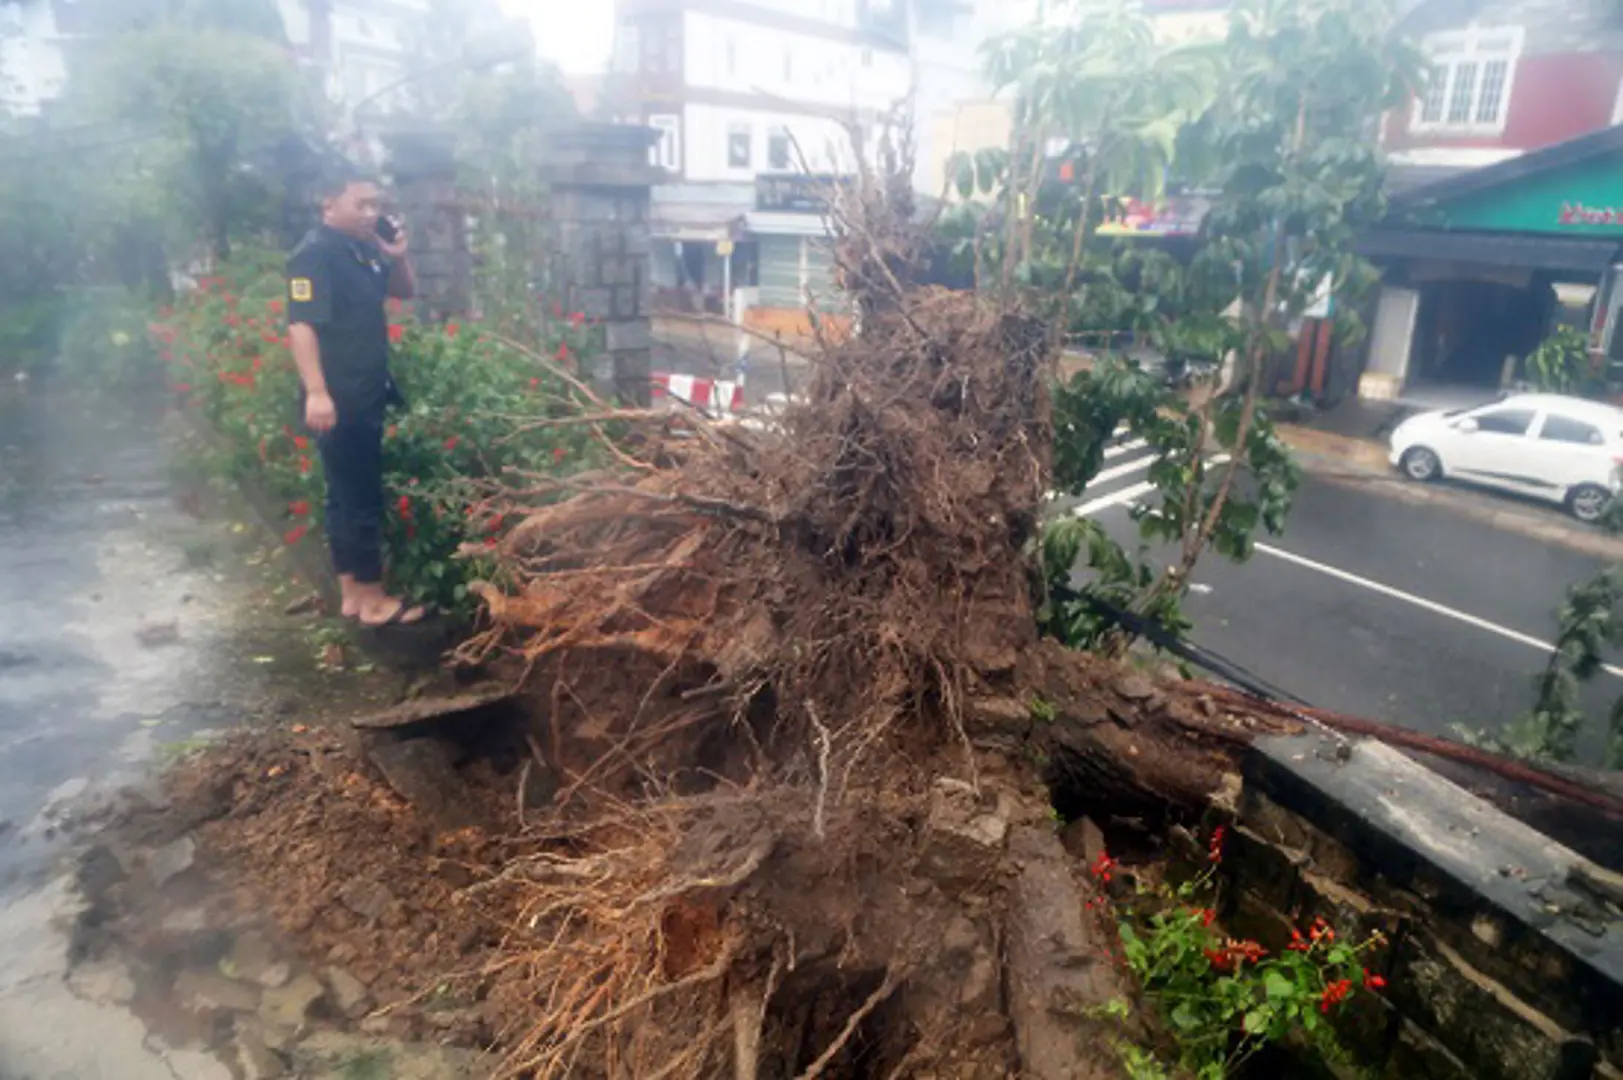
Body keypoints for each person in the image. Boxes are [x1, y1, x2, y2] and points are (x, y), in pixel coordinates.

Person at [286, 172, 424, 627]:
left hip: (365, 389)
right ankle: (374, 598)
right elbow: (301, 325)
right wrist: (318, 392)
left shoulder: (363, 249)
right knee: (359, 494)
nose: (372, 214)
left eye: (376, 205)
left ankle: (352, 593)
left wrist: (397, 256)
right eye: (361, 204)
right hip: (339, 395)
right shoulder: (315, 255)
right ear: (329, 201)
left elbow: (404, 291)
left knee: (344, 495)